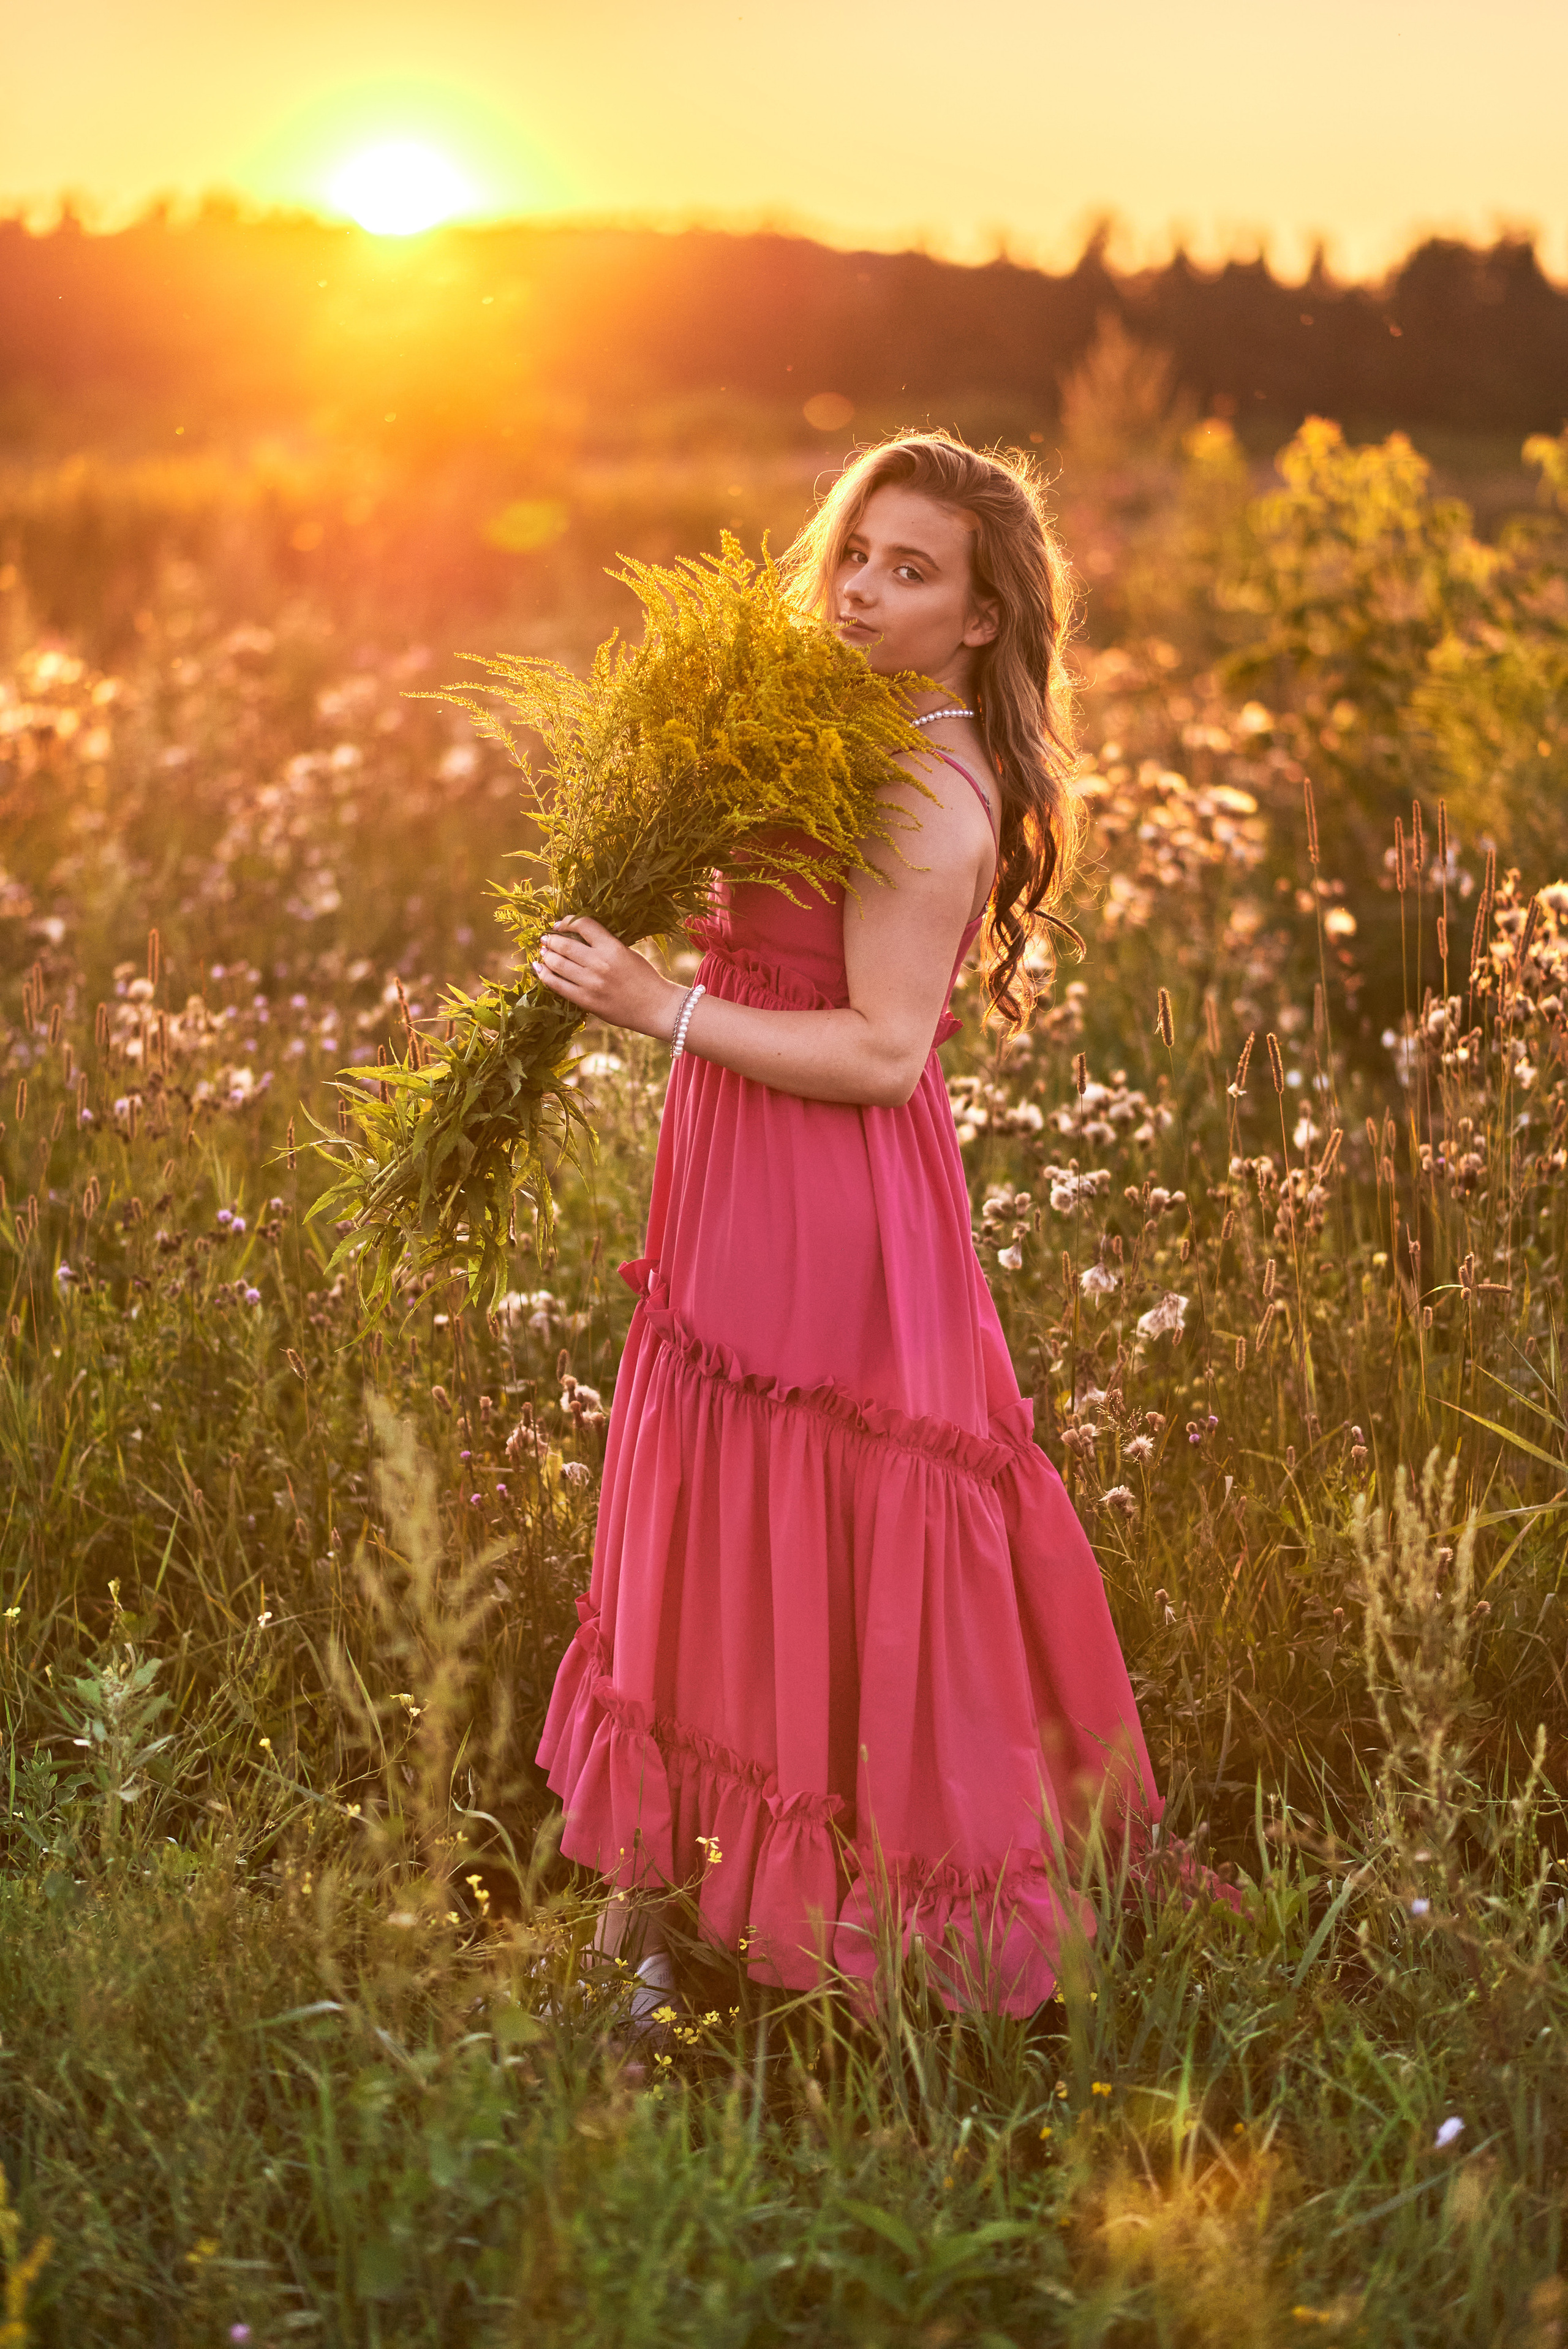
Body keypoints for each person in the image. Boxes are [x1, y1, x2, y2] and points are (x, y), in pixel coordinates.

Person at [530, 430, 1160, 2019]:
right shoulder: (833, 733)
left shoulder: (927, 792)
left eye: (912, 571)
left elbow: (884, 1050)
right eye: (858, 553)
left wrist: (658, 1007)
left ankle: (810, 1932)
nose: (863, 591)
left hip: (830, 1204)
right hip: (737, 1167)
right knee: (706, 1517)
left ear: (983, 618)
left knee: (799, 1509)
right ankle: (659, 1911)